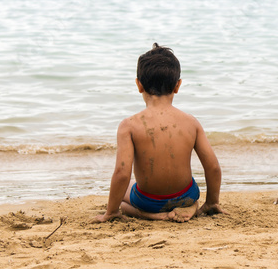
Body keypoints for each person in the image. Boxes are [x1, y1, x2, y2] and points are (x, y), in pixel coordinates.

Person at [93, 43, 223, 223]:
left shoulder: (129, 125)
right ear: (177, 86)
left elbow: (122, 173)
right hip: (187, 195)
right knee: (188, 191)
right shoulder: (191, 122)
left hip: (148, 202)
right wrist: (211, 202)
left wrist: (110, 212)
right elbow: (213, 167)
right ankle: (192, 206)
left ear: (139, 85)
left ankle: (150, 215)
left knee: (120, 199)